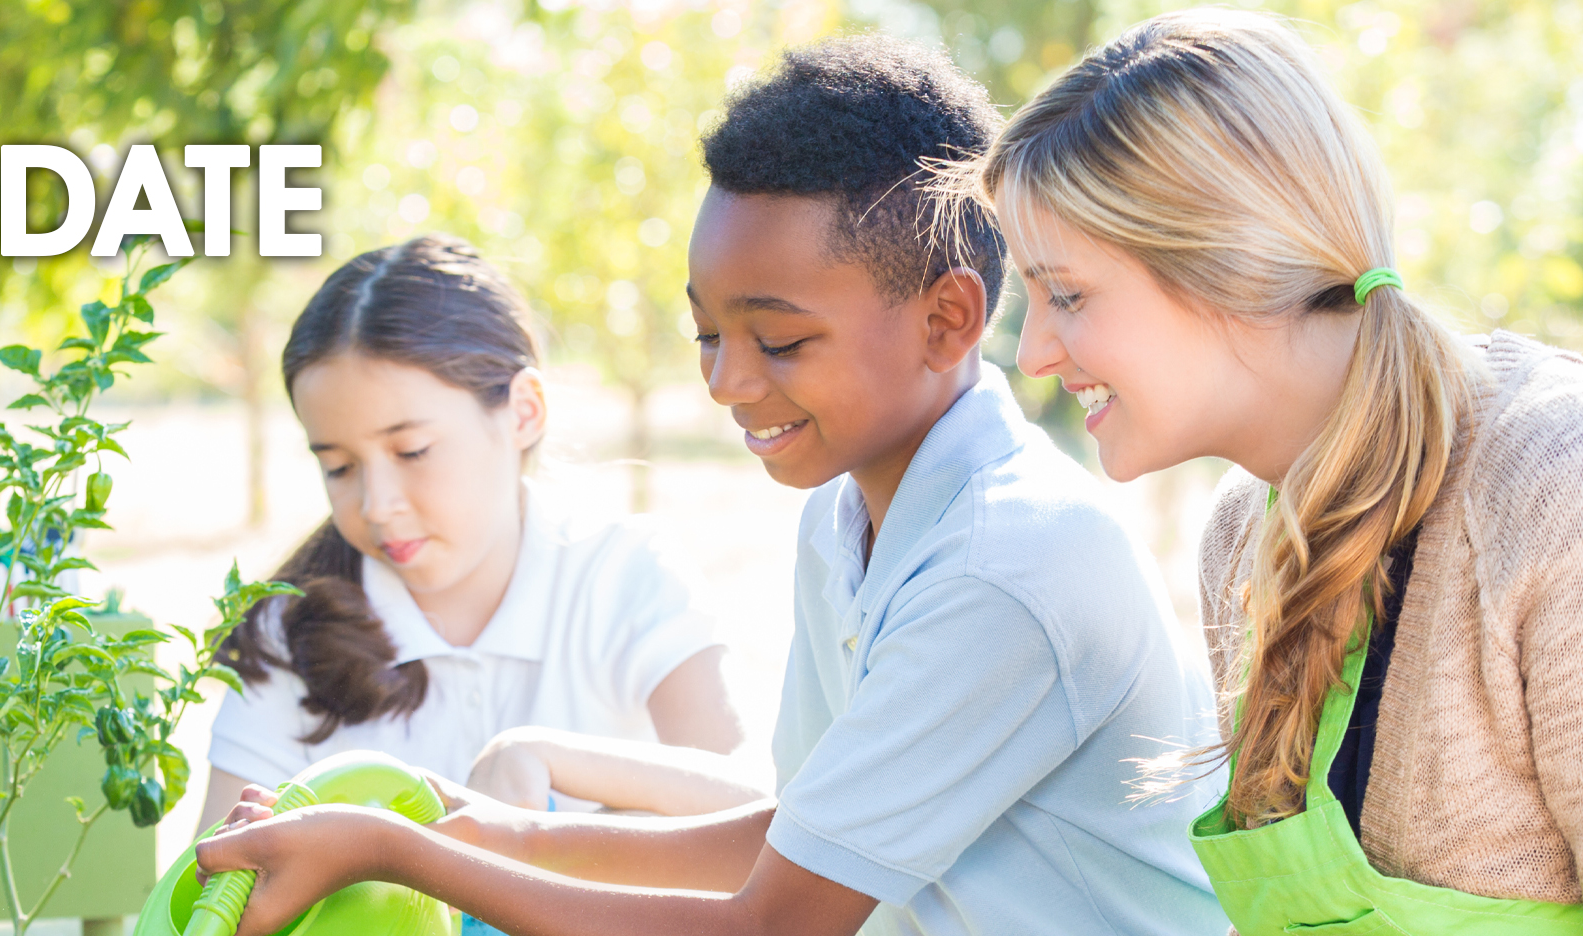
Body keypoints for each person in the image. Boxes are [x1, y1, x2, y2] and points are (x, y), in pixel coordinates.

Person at [193, 35, 1226, 936]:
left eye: (777, 339)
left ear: (947, 320)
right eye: (707, 332)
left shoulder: (1009, 565)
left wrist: (402, 854)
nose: (728, 380)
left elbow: (774, 923)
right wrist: (477, 824)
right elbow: (796, 835)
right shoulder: (845, 518)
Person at [968, 9, 1583, 931]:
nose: (1036, 353)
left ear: (1230, 261)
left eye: (1068, 294)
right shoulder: (1241, 536)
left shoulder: (1548, 486)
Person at [199, 234, 745, 832]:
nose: (377, 505)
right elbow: (209, 894)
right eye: (339, 466)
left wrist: (545, 762)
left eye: (412, 451)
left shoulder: (622, 578)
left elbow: (752, 818)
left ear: (523, 412)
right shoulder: (289, 634)